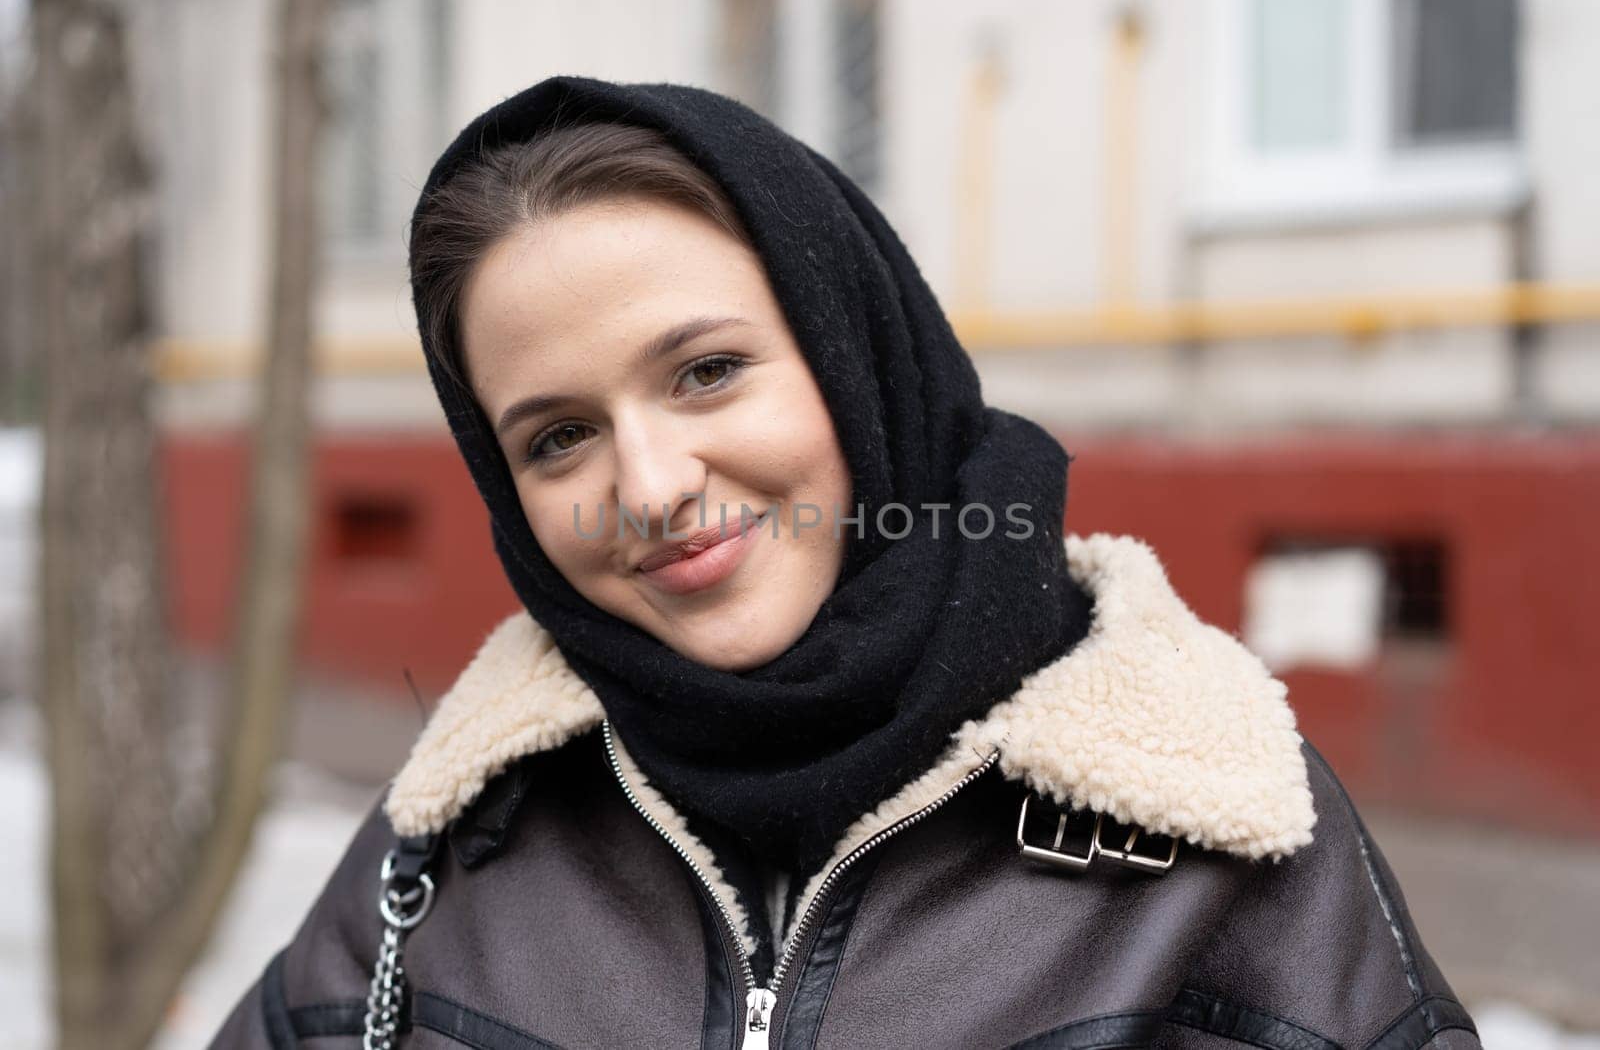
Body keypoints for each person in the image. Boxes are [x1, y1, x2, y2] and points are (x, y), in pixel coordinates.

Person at [211, 76, 1480, 1050]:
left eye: (706, 370)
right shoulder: (454, 835)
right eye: (558, 437)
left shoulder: (1216, 826)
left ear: (857, 348)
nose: (648, 488)